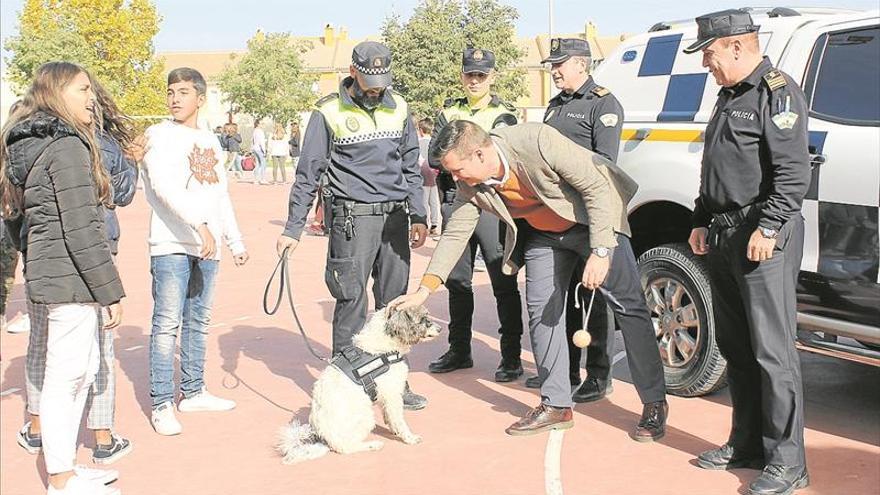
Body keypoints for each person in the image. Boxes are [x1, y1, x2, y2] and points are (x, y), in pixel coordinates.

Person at [390, 121, 668, 440]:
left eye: (458, 169)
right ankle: (556, 404)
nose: (455, 179)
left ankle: (654, 403)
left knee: (629, 307)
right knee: (540, 311)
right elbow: (455, 232)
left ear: (480, 154)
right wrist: (424, 290)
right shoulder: (470, 182)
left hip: (594, 221)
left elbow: (596, 186)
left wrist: (602, 250)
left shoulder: (536, 140)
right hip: (544, 234)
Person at [684, 10, 811, 495]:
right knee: (736, 347)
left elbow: (793, 171)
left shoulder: (775, 92)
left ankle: (788, 462)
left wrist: (772, 226)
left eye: (710, 54)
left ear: (737, 46)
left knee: (773, 353)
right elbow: (717, 167)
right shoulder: (729, 94)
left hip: (762, 238)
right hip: (723, 234)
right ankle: (746, 443)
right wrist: (699, 217)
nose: (706, 65)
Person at [276, 41, 429, 409]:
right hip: (353, 219)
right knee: (351, 301)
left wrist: (419, 213)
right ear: (353, 71)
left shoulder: (400, 106)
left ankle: (395, 382)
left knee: (395, 305)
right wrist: (293, 227)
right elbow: (308, 172)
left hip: (395, 218)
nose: (377, 86)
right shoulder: (328, 111)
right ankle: (346, 386)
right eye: (370, 78)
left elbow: (411, 166)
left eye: (383, 79)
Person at [0, 61, 125, 495]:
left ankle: (66, 466)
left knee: (80, 369)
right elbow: (82, 226)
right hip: (70, 275)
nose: (91, 97)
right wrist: (110, 292)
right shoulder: (65, 145)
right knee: (67, 376)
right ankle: (60, 477)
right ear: (56, 93)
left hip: (55, 270)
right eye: (82, 89)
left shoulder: (29, 144)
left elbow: (17, 219)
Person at [537, 37, 668, 424]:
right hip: (556, 221)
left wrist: (602, 238)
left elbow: (605, 167)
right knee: (564, 303)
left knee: (623, 305)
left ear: (582, 63)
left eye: (560, 63)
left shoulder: (602, 103)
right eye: (552, 64)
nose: (554, 70)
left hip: (595, 219)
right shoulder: (554, 106)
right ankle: (562, 382)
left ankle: (642, 396)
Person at [141, 67, 249, 436]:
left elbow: (220, 194)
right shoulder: (157, 135)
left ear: (200, 98)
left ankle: (193, 390)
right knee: (166, 324)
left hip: (208, 247)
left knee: (198, 322)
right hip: (172, 245)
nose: (175, 98)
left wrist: (233, 239)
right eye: (171, 91)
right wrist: (198, 225)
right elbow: (163, 188)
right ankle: (161, 402)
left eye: (184, 92)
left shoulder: (211, 141)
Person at [425, 48, 525, 383]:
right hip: (456, 199)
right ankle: (459, 349)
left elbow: (502, 152)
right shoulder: (449, 108)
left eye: (481, 75)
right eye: (470, 74)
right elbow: (435, 157)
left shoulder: (503, 113)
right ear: (461, 75)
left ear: (492, 77)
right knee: (456, 282)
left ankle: (510, 356)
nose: (475, 80)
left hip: (492, 203)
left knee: (502, 280)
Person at [417, 117, 441, 236]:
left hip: (422, 175)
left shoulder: (418, 143)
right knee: (434, 201)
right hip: (434, 174)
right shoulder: (435, 143)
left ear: (420, 130)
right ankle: (435, 224)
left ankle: (425, 224)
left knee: (424, 201)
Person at [251, 118, 268, 184]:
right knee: (263, 164)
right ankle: (262, 179)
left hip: (255, 148)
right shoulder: (260, 131)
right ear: (258, 124)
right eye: (262, 123)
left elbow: (253, 140)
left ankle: (256, 179)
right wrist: (264, 151)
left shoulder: (255, 131)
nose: (263, 125)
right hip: (259, 149)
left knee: (257, 164)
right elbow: (261, 142)